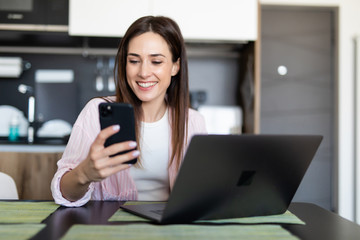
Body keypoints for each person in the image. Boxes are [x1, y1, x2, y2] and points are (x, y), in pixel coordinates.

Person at [51, 16, 207, 207]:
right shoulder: (96, 112)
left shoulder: (193, 121)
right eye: (134, 61)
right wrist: (84, 173)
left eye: (156, 62)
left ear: (175, 66)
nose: (143, 72)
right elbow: (64, 193)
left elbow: (200, 193)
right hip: (112, 228)